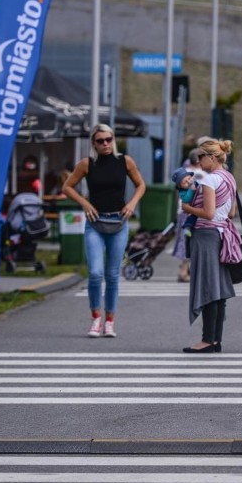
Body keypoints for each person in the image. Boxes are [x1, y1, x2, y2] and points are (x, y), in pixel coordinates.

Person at [62, 124, 146, 338]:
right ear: (94, 143)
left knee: (112, 275)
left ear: (113, 139)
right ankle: (96, 318)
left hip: (119, 222)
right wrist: (84, 203)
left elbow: (141, 185)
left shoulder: (125, 161)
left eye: (108, 139)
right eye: (100, 141)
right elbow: (67, 187)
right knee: (95, 273)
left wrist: (132, 204)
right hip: (95, 223)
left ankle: (109, 321)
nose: (105, 144)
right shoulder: (86, 164)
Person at [181, 139, 240, 353]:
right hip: (223, 235)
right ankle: (216, 340)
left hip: (206, 235)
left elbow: (208, 213)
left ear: (212, 158)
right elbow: (231, 213)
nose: (198, 162)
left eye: (201, 157)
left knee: (207, 287)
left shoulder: (209, 180)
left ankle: (206, 340)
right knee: (219, 288)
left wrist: (188, 208)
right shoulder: (229, 178)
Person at [172, 149, 203, 282]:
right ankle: (184, 271)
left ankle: (184, 270)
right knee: (189, 242)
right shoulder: (199, 174)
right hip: (191, 213)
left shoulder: (184, 173)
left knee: (184, 240)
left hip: (182, 212)